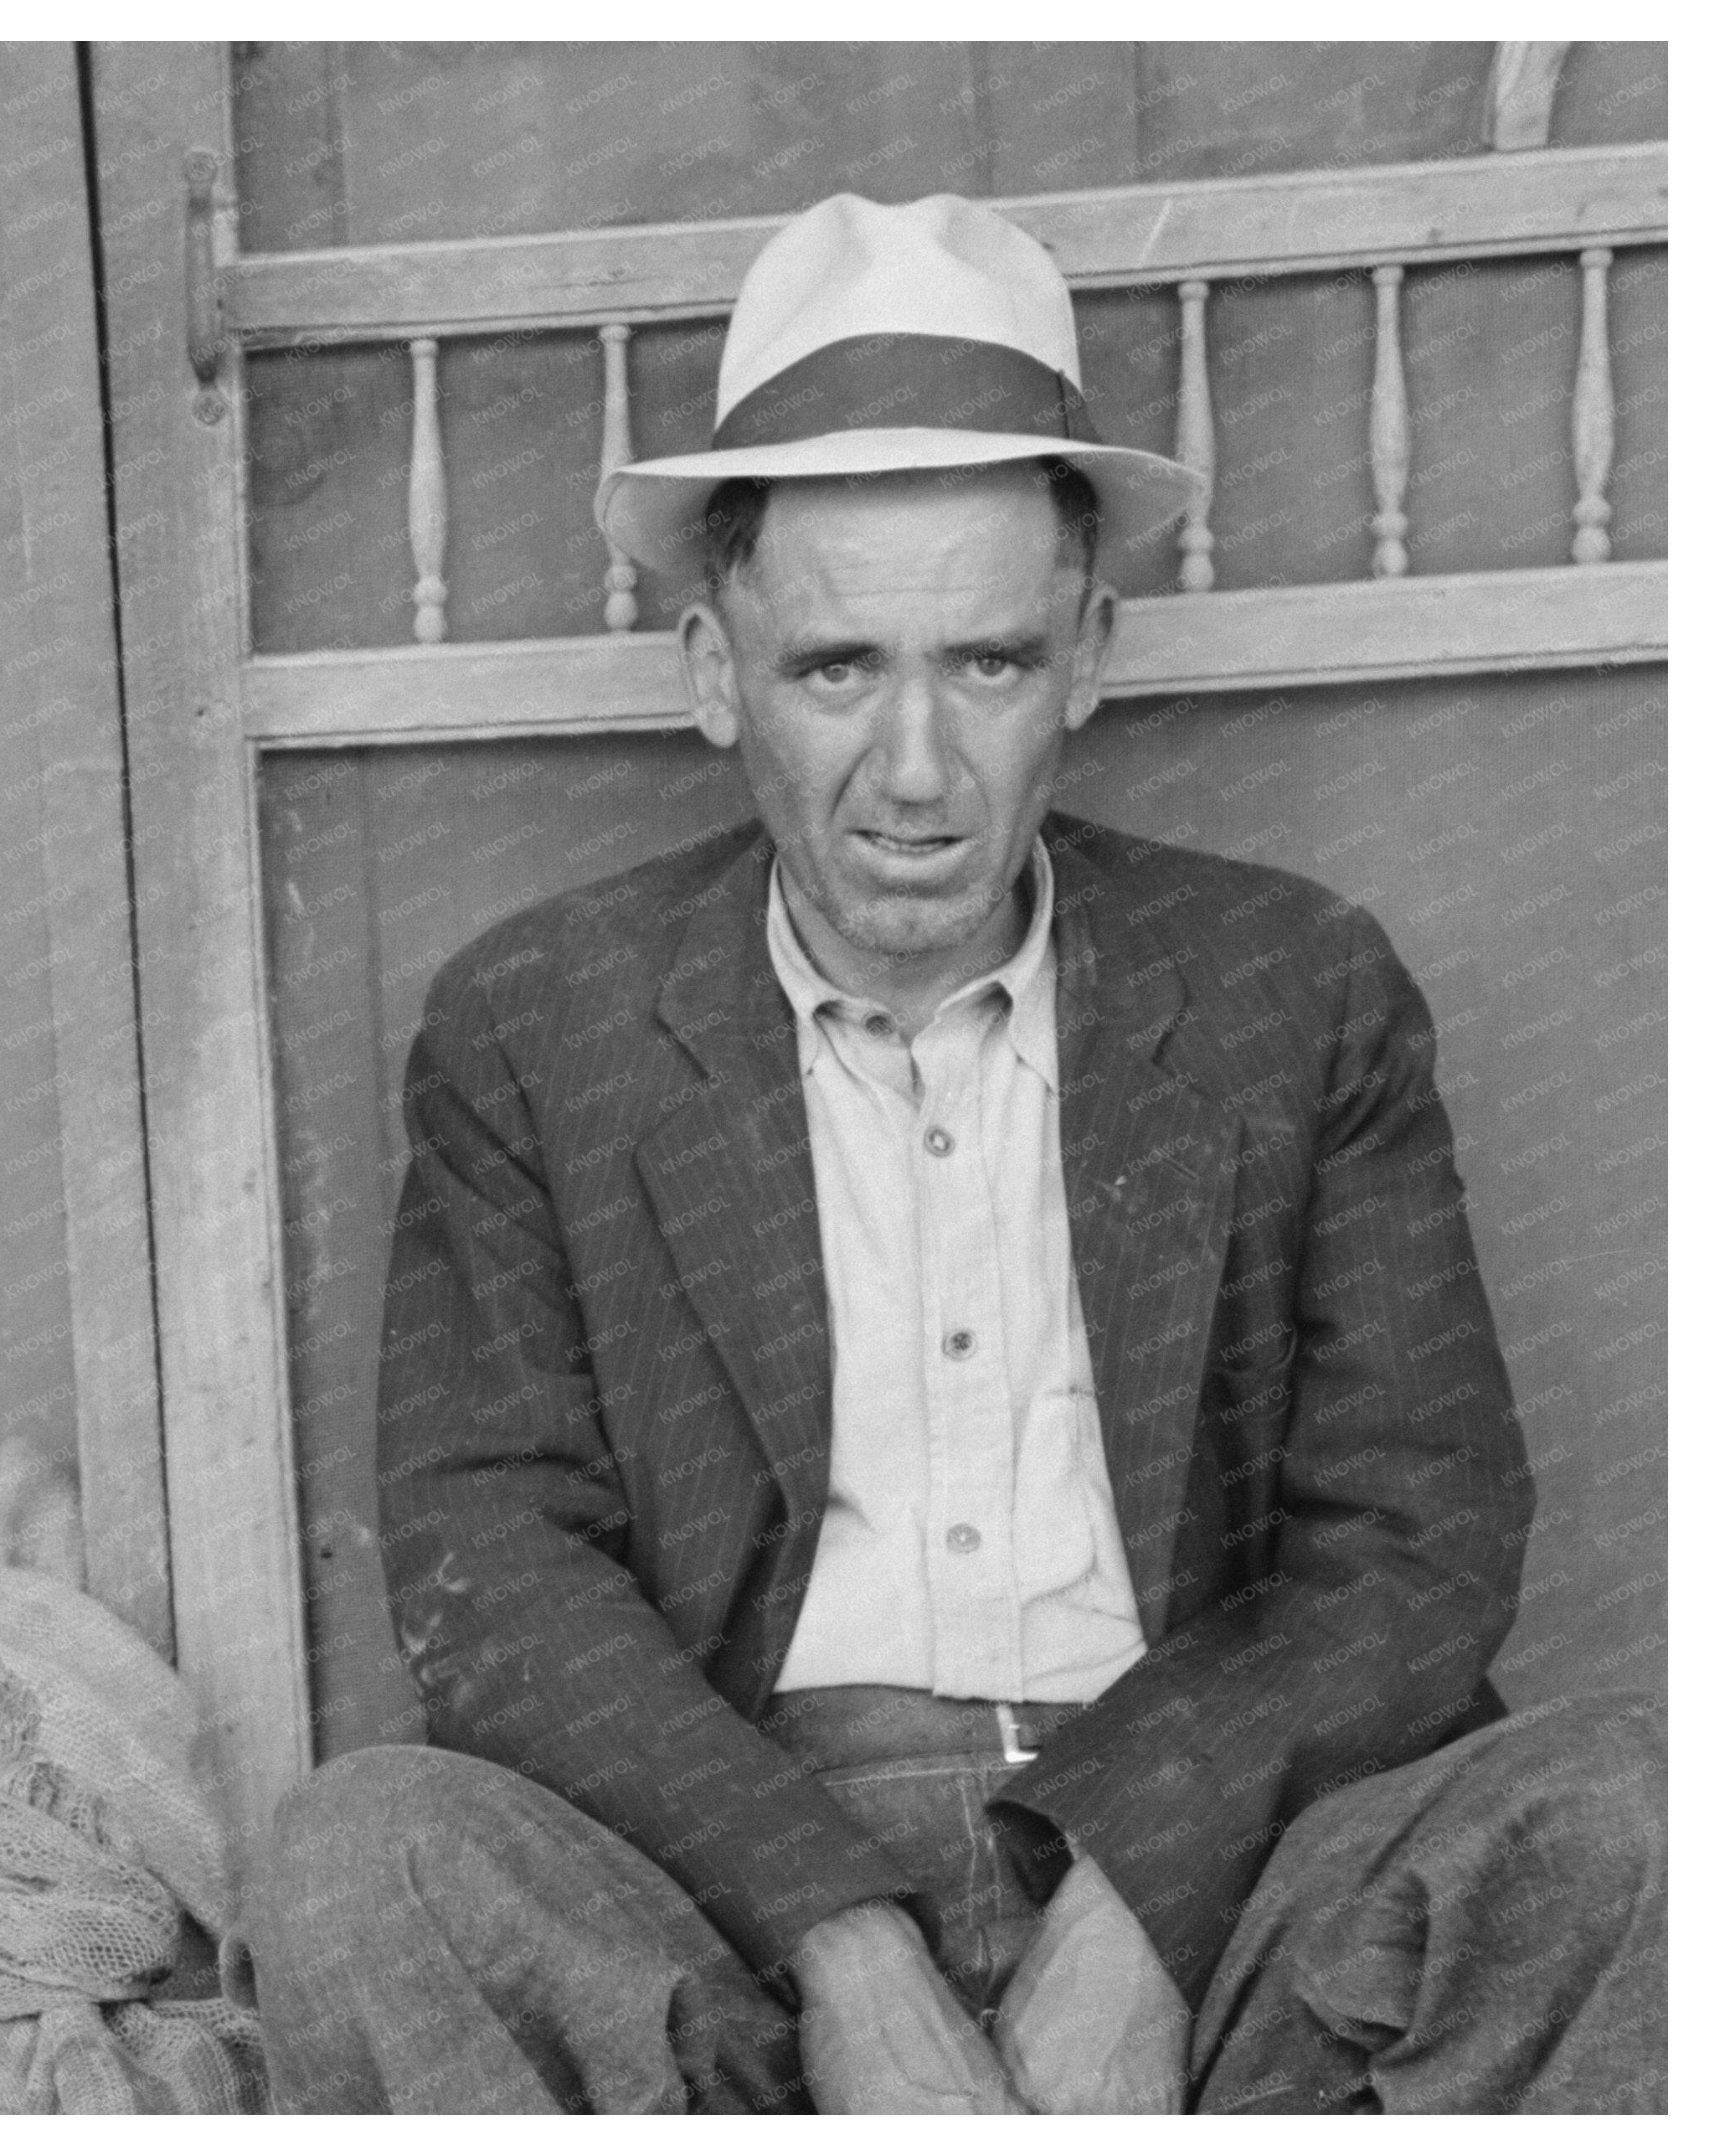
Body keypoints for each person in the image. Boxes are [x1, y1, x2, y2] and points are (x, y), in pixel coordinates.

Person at [243, 195, 1663, 2114]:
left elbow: (1418, 1534)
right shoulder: (533, 1023)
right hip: (728, 1897)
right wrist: (837, 1946)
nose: (913, 771)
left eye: (984, 664)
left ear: (1084, 655)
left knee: (1629, 1819)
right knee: (358, 1864)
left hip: (1214, 1856)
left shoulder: (1293, 985)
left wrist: (1139, 1907)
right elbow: (487, 1570)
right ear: (711, 671)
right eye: (835, 669)